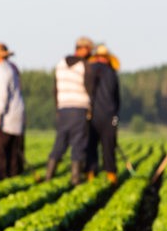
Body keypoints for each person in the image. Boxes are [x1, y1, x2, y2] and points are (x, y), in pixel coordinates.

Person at [45, 37, 93, 184]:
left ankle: (49, 176)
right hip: (79, 108)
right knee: (78, 142)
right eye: (89, 49)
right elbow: (90, 89)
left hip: (63, 108)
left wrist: (58, 107)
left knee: (60, 141)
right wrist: (91, 108)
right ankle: (75, 178)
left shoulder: (60, 64)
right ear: (83, 49)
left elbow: (55, 88)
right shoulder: (84, 65)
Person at [0, 42, 25, 180]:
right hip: (16, 117)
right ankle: (13, 179)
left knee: (0, 153)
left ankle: (0, 179)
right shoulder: (10, 68)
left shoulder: (0, 71)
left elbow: (1, 96)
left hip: (6, 119)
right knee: (14, 153)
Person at [86, 44, 120, 184]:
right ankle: (111, 174)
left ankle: (91, 173)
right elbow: (117, 98)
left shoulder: (90, 70)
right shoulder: (112, 73)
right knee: (109, 145)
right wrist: (115, 115)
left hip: (92, 114)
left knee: (91, 144)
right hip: (110, 115)